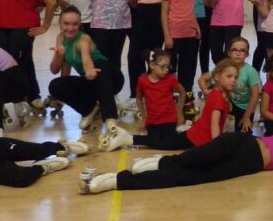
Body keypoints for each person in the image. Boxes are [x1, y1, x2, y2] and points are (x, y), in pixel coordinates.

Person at [79, 116, 273, 194]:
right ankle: (159, 162)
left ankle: (118, 180)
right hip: (242, 142)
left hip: (248, 163)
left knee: (188, 178)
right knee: (195, 157)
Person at [105, 59, 238, 152]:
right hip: (198, 138)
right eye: (229, 76)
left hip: (196, 134)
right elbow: (214, 125)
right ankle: (128, 139)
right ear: (217, 77)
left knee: (165, 141)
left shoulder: (216, 92)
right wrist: (217, 149)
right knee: (163, 143)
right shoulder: (218, 98)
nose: (233, 80)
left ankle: (128, 138)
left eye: (235, 77)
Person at [47, 6, 126, 147]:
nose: (70, 28)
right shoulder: (60, 37)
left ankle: (110, 119)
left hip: (111, 79)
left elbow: (86, 58)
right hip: (93, 81)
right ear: (60, 23)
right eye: (66, 23)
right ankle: (89, 109)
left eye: (75, 24)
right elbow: (55, 70)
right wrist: (59, 55)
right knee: (55, 85)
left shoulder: (84, 39)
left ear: (80, 24)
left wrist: (89, 71)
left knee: (100, 65)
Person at [103, 49, 183, 151]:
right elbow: (138, 98)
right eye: (163, 66)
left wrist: (179, 112)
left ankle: (129, 139)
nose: (166, 70)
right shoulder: (143, 80)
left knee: (167, 143)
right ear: (152, 65)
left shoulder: (171, 79)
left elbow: (182, 92)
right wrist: (144, 117)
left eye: (168, 67)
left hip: (170, 119)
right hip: (153, 121)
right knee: (158, 142)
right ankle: (126, 138)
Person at [126, 0, 171, 101]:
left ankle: (155, 89)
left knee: (156, 55)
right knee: (135, 54)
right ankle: (135, 92)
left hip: (160, 14)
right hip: (142, 13)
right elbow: (131, 0)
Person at [89, 0, 134, 96]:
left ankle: (113, 94)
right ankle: (100, 93)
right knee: (101, 60)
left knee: (115, 60)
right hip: (101, 22)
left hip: (121, 22)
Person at [197, 37, 261, 134]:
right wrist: (205, 91)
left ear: (247, 54)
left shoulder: (250, 72)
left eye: (242, 51)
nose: (238, 53)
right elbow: (202, 79)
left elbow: (255, 95)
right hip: (228, 101)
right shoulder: (224, 67)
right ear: (229, 53)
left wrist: (246, 117)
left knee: (244, 135)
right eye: (234, 50)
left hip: (245, 107)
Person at [161, 0, 200, 106]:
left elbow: (190, 8)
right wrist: (167, 35)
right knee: (169, 69)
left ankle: (186, 101)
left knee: (188, 70)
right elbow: (164, 12)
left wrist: (196, 26)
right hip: (174, 34)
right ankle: (168, 99)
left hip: (190, 34)